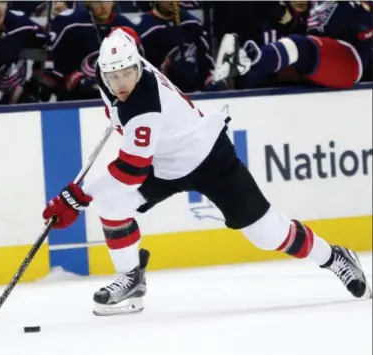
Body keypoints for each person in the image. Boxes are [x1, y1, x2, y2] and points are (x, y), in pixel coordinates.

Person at [42, 28, 371, 316]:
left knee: (267, 233)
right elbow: (124, 33)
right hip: (163, 161)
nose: (121, 83)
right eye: (113, 77)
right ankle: (131, 279)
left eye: (127, 74)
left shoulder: (143, 105)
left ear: (138, 66)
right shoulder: (117, 62)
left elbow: (130, 170)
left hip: (207, 156)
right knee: (114, 203)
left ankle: (335, 257)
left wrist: (76, 197)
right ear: (102, 71)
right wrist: (119, 34)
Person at [214, 1, 373, 89]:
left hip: (349, 60)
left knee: (297, 46)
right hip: (326, 62)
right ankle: (246, 61)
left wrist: (365, 21)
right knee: (297, 48)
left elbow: (364, 28)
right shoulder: (316, 5)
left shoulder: (350, 4)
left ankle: (246, 60)